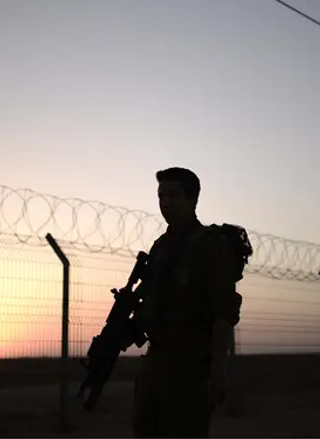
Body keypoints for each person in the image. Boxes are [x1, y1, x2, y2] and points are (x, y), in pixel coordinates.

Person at [132, 167, 240, 438]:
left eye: (173, 195)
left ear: (192, 199)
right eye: (161, 196)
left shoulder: (210, 244)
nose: (165, 203)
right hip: (156, 361)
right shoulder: (161, 247)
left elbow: (222, 313)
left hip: (191, 366)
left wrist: (218, 370)